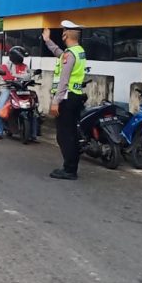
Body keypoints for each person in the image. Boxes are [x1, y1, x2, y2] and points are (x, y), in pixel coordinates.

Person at [43, 21, 89, 180]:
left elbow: (64, 80)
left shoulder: (70, 54)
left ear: (65, 35)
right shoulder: (78, 51)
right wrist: (47, 41)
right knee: (71, 133)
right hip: (75, 96)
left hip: (67, 98)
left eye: (63, 31)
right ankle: (70, 166)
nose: (62, 34)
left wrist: (56, 101)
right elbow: (59, 53)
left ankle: (69, 170)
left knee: (65, 135)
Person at [0, 46, 32, 139]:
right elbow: (7, 77)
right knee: (1, 108)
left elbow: (29, 76)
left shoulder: (25, 66)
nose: (22, 59)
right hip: (8, 89)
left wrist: (18, 78)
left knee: (33, 107)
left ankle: (33, 134)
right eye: (21, 56)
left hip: (22, 89)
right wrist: (19, 78)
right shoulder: (5, 65)